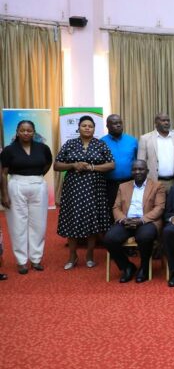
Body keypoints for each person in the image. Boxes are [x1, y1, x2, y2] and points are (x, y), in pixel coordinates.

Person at [54, 115, 115, 269]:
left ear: (94, 129)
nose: (87, 128)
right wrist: (73, 165)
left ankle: (89, 254)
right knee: (73, 219)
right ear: (78, 128)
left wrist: (92, 167)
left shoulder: (100, 145)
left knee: (92, 221)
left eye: (90, 126)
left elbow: (111, 165)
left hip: (95, 189)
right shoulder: (70, 144)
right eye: (84, 126)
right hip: (74, 188)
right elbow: (56, 165)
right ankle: (72, 255)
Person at [0, 120, 52, 274]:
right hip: (16, 184)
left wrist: (36, 175)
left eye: (29, 130)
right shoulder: (9, 150)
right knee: (18, 224)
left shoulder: (43, 148)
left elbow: (48, 163)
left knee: (39, 224)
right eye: (22, 130)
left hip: (38, 184)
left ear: (34, 132)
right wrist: (4, 194)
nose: (26, 133)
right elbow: (3, 173)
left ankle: (36, 259)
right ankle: (21, 261)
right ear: (17, 132)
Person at [103, 160, 166, 283]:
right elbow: (116, 207)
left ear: (147, 171)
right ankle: (127, 266)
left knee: (144, 236)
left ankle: (144, 267)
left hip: (147, 221)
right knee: (109, 239)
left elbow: (159, 207)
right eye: (135, 169)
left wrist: (141, 220)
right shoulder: (123, 186)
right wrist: (123, 219)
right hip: (126, 221)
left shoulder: (157, 186)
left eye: (141, 169)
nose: (137, 172)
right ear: (131, 172)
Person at [138, 113, 174, 192]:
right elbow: (141, 162)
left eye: (168, 120)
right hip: (154, 182)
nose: (166, 123)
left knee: (173, 204)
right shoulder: (145, 139)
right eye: (163, 120)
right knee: (157, 205)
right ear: (156, 123)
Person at [101, 114, 138, 215]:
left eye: (120, 123)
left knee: (130, 208)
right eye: (114, 123)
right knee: (112, 209)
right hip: (110, 184)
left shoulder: (132, 141)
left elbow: (137, 160)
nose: (118, 125)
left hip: (129, 182)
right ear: (107, 126)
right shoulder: (101, 142)